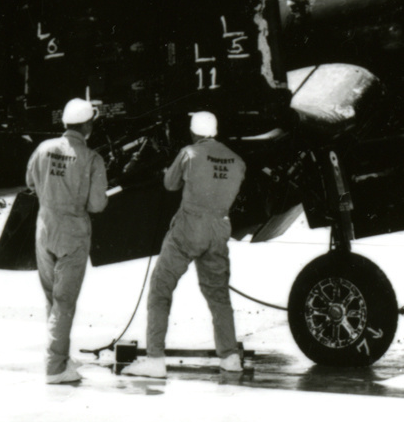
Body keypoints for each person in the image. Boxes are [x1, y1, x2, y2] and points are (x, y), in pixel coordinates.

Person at [122, 111, 247, 379]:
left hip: (189, 229)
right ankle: (230, 357)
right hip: (219, 229)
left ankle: (155, 359)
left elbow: (170, 184)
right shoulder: (237, 161)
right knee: (218, 296)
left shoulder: (189, 153)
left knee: (160, 289)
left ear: (193, 132)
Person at [26, 97, 109, 384]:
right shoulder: (92, 158)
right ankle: (55, 368)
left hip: (44, 229)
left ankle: (60, 357)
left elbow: (29, 183)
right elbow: (97, 205)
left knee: (52, 298)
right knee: (64, 302)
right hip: (72, 233)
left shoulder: (43, 149)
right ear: (88, 125)